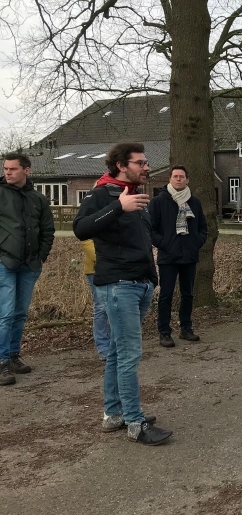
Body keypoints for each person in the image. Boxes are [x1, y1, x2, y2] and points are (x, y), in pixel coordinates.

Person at [74, 142, 172, 445]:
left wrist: (151, 277)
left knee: (118, 353)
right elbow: (81, 229)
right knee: (129, 354)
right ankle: (135, 422)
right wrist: (119, 207)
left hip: (139, 283)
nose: (146, 167)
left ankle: (114, 414)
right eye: (140, 162)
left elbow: (143, 240)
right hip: (118, 285)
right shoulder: (101, 193)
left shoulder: (139, 196)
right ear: (121, 165)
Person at [0, 153, 55, 385]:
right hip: (5, 262)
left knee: (20, 313)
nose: (8, 172)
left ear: (26, 170)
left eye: (13, 169)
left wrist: (41, 256)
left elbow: (47, 230)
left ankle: (13, 355)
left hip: (30, 265)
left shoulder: (38, 199)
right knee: (6, 313)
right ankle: (1, 361)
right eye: (5, 169)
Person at [149, 165, 208, 347]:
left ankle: (186, 328)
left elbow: (203, 228)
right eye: (175, 176)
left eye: (182, 176)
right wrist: (165, 243)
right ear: (170, 179)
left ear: (187, 180)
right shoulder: (159, 202)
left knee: (188, 294)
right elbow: (151, 229)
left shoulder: (194, 203)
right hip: (168, 256)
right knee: (166, 295)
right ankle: (164, 332)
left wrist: (196, 242)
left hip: (189, 255)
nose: (178, 179)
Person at [81, 239, 111, 360]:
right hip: (95, 269)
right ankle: (103, 347)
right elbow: (86, 241)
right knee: (101, 307)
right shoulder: (89, 220)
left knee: (116, 305)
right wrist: (107, 259)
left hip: (117, 268)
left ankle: (116, 345)